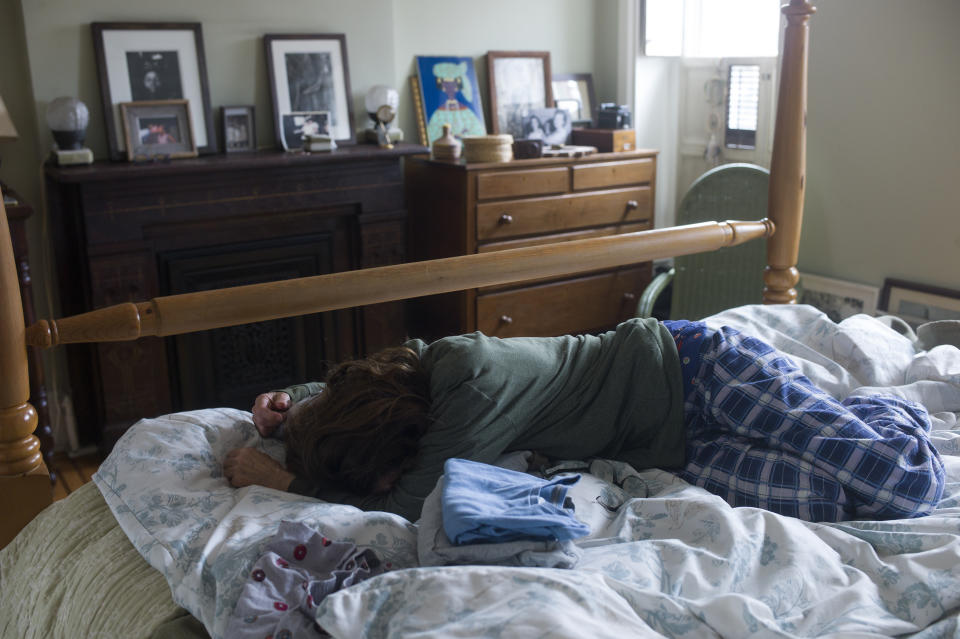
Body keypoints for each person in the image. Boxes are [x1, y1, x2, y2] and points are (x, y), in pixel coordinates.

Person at [223, 318, 945, 524]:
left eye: (379, 465)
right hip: (671, 445)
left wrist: (281, 481)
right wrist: (295, 402)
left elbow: (404, 508)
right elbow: (374, 374)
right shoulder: (414, 380)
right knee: (827, 501)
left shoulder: (470, 383)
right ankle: (844, 414)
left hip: (696, 369)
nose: (388, 477)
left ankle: (885, 406)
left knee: (899, 483)